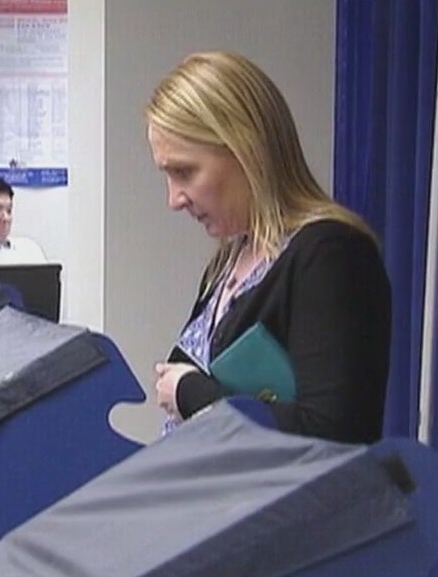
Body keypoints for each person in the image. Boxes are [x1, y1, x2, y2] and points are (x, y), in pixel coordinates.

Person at [147, 51, 391, 445]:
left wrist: (191, 394)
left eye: (185, 172)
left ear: (246, 149)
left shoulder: (331, 256)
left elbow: (335, 434)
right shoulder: (229, 260)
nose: (174, 199)